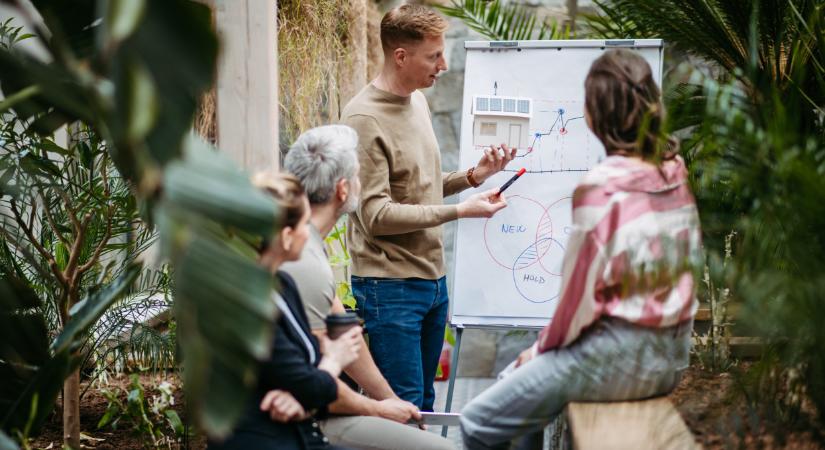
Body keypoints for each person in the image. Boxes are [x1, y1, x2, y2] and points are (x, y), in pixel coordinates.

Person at [459, 49, 703, 449]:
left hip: (619, 358)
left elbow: (578, 303)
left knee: (478, 422)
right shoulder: (673, 170)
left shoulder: (602, 186)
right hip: (673, 355)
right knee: (522, 401)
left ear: (592, 116)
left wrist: (538, 352)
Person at [341, 4, 516, 412]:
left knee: (425, 403)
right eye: (434, 56)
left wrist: (473, 176)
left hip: (432, 283)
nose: (444, 64)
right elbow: (378, 216)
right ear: (400, 56)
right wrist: (460, 211)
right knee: (403, 410)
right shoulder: (363, 118)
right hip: (389, 289)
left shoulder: (417, 101)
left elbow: (417, 188)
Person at [281, 125, 455, 450]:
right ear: (343, 190)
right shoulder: (304, 261)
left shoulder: (306, 243)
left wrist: (391, 401)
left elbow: (348, 339)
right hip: (303, 421)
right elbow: (319, 385)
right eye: (360, 176)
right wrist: (379, 408)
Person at [210, 173, 361, 450]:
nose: (310, 233)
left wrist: (301, 396)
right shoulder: (245, 304)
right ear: (287, 236)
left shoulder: (283, 285)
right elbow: (309, 379)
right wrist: (335, 360)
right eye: (305, 224)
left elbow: (306, 373)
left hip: (299, 432)